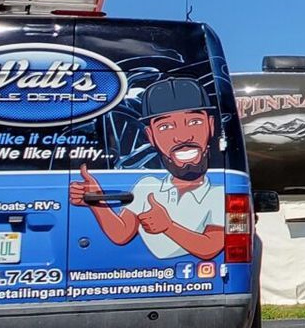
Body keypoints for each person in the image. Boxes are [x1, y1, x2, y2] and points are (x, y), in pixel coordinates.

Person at [69, 78, 225, 262]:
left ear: (211, 125)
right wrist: (94, 200)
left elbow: (210, 247)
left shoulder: (219, 193)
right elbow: (121, 233)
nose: (182, 136)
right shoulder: (146, 186)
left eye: (194, 122)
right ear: (150, 136)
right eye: (165, 127)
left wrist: (168, 227)